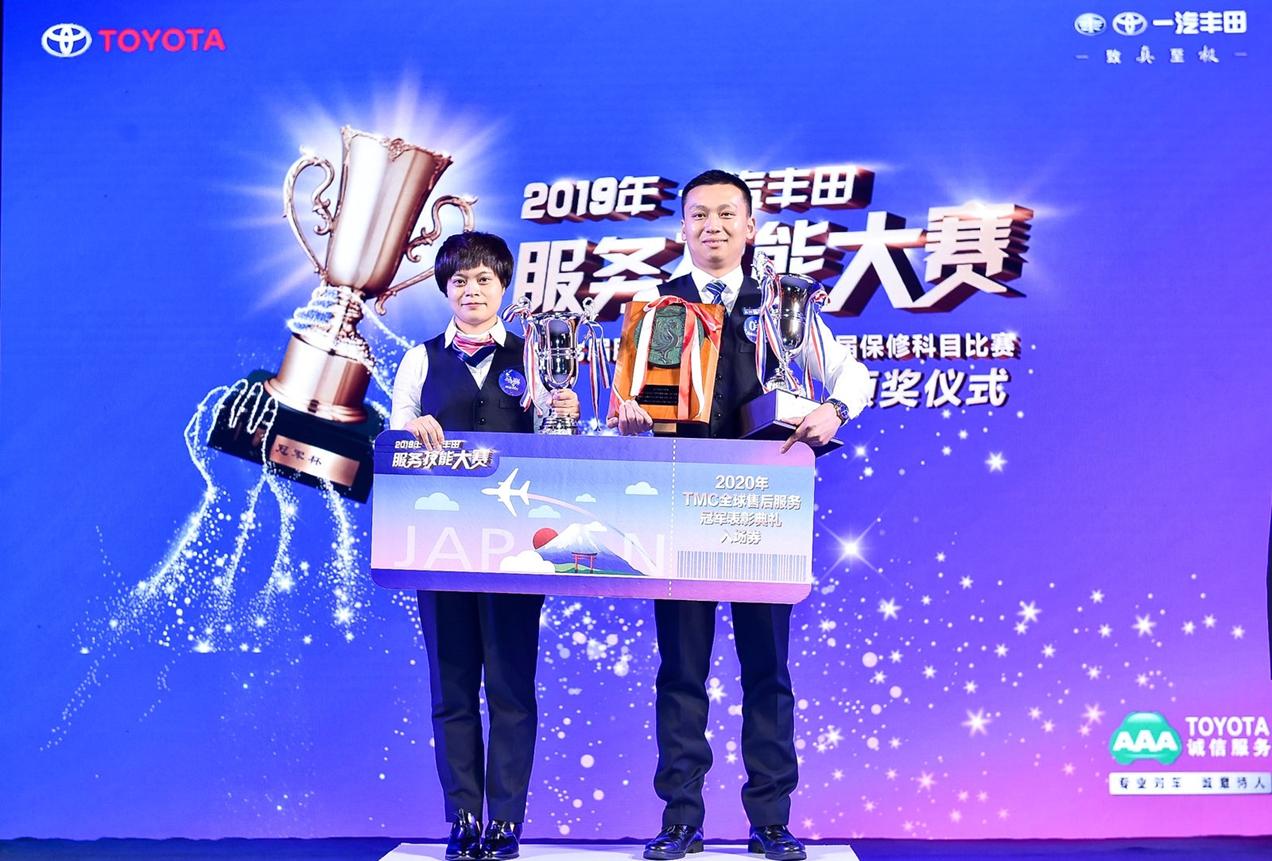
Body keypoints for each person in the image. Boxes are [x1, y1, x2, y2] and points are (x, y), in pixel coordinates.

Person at [610, 170, 871, 860]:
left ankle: (771, 820)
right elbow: (632, 406)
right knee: (680, 669)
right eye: (699, 215)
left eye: (727, 214)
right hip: (678, 506)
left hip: (762, 507)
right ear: (682, 228)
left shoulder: (780, 303)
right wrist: (629, 420)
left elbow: (851, 374)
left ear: (751, 227)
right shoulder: (657, 308)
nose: (713, 226)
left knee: (768, 669)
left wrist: (834, 409)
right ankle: (681, 819)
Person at [390, 231, 579, 860]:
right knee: (451, 689)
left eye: (484, 280)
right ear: (445, 290)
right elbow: (394, 433)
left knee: (511, 687)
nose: (471, 291)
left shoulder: (537, 357)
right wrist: (411, 428)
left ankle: (505, 823)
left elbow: (557, 446)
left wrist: (563, 410)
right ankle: (463, 818)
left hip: (515, 549)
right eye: (459, 281)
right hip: (438, 547)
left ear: (504, 287)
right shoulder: (420, 361)